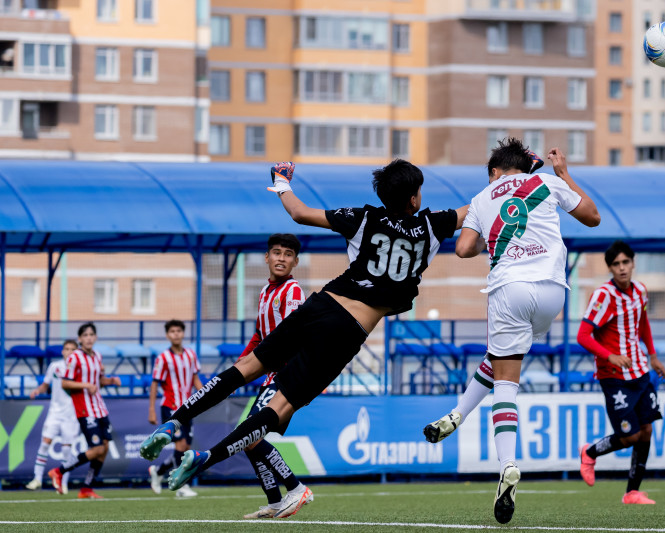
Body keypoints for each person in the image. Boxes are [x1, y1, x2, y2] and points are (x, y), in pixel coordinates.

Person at [139, 159, 469, 497]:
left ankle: (175, 420)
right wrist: (519, 180)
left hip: (322, 304)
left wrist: (282, 181)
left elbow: (299, 213)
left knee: (247, 366)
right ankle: (204, 459)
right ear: (414, 198)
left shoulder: (365, 216)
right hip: (349, 329)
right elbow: (475, 208)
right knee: (279, 407)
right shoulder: (433, 224)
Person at [422, 139, 600, 523]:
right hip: (554, 292)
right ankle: (457, 413)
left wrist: (491, 232)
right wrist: (563, 173)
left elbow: (464, 248)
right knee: (505, 356)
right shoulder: (548, 184)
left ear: (494, 171)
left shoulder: (483, 196)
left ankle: (507, 464)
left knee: (506, 381)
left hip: (510, 288)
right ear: (525, 166)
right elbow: (592, 216)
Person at [576, 240, 665, 505]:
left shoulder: (640, 291)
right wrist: (610, 356)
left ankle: (632, 492)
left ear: (633, 263)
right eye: (616, 264)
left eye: (626, 262)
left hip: (639, 371)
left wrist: (653, 356)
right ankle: (590, 452)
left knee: (647, 431)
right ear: (610, 268)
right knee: (630, 436)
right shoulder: (603, 296)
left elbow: (643, 323)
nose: (622, 268)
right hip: (613, 376)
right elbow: (583, 335)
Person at [238, 233, 313, 519]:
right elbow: (260, 335)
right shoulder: (264, 292)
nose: (281, 258)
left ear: (295, 261)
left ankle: (296, 488)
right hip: (270, 376)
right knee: (247, 437)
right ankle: (275, 501)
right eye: (277, 252)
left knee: (249, 435)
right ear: (267, 258)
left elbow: (292, 336)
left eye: (288, 254)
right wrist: (239, 368)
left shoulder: (292, 291)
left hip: (286, 376)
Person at [48, 322, 121, 499]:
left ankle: (86, 488)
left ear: (95, 337)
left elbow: (99, 380)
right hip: (84, 408)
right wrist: (85, 385)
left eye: (91, 334)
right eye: (85, 335)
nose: (88, 338)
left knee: (104, 447)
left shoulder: (97, 356)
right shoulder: (74, 357)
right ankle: (59, 471)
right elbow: (65, 382)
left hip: (100, 407)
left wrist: (110, 381)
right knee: (96, 449)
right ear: (80, 339)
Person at [147, 319, 203, 498]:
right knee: (180, 444)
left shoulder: (191, 355)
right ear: (167, 335)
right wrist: (152, 409)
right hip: (171, 407)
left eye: (179, 331)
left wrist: (205, 395)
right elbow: (155, 384)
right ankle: (180, 486)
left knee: (185, 447)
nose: (176, 334)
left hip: (188, 407)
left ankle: (158, 471)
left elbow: (195, 379)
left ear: (183, 333)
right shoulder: (163, 358)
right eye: (172, 331)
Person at [25, 339, 81, 493]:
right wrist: (38, 390)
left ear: (77, 353)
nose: (69, 352)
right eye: (66, 349)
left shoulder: (80, 369)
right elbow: (45, 385)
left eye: (72, 349)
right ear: (62, 351)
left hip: (72, 414)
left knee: (66, 450)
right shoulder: (55, 367)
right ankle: (37, 479)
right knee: (45, 443)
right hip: (55, 412)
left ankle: (63, 484)